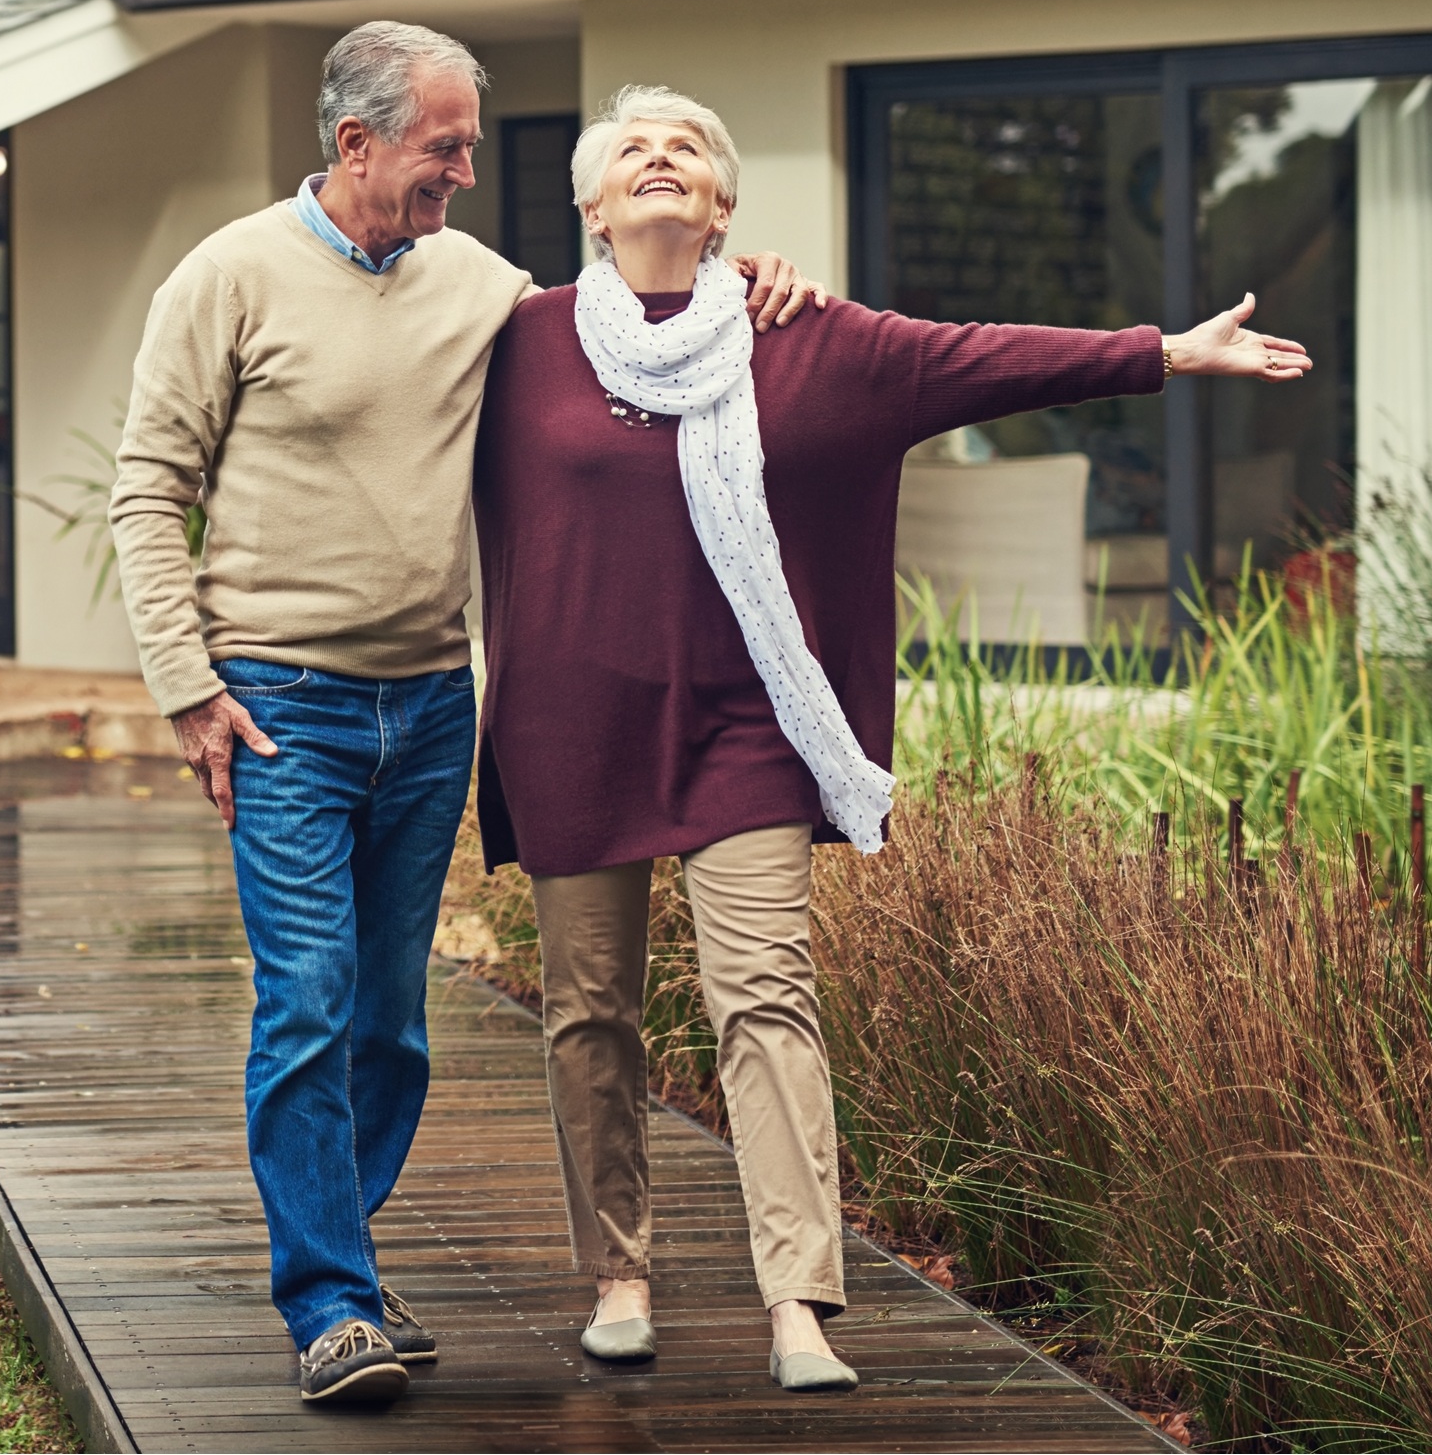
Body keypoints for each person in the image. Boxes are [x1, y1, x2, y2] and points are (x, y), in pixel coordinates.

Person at [471, 85, 1310, 1393]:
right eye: (630, 148)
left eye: (687, 146)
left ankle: (798, 1299)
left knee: (766, 996)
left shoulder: (806, 339)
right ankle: (619, 1275)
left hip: (751, 722)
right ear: (589, 205)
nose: (658, 158)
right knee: (591, 1010)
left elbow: (976, 356)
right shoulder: (516, 341)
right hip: (573, 720)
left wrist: (1167, 353)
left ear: (723, 204)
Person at [107, 28, 823, 1407]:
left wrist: (754, 279)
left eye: (472, 145)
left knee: (389, 1024)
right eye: (445, 144)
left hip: (434, 706)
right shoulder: (230, 276)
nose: (466, 169)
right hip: (280, 708)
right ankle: (326, 1302)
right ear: (357, 142)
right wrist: (190, 686)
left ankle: (350, 1266)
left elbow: (630, 319)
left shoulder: (488, 290)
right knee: (306, 1004)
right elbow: (149, 487)